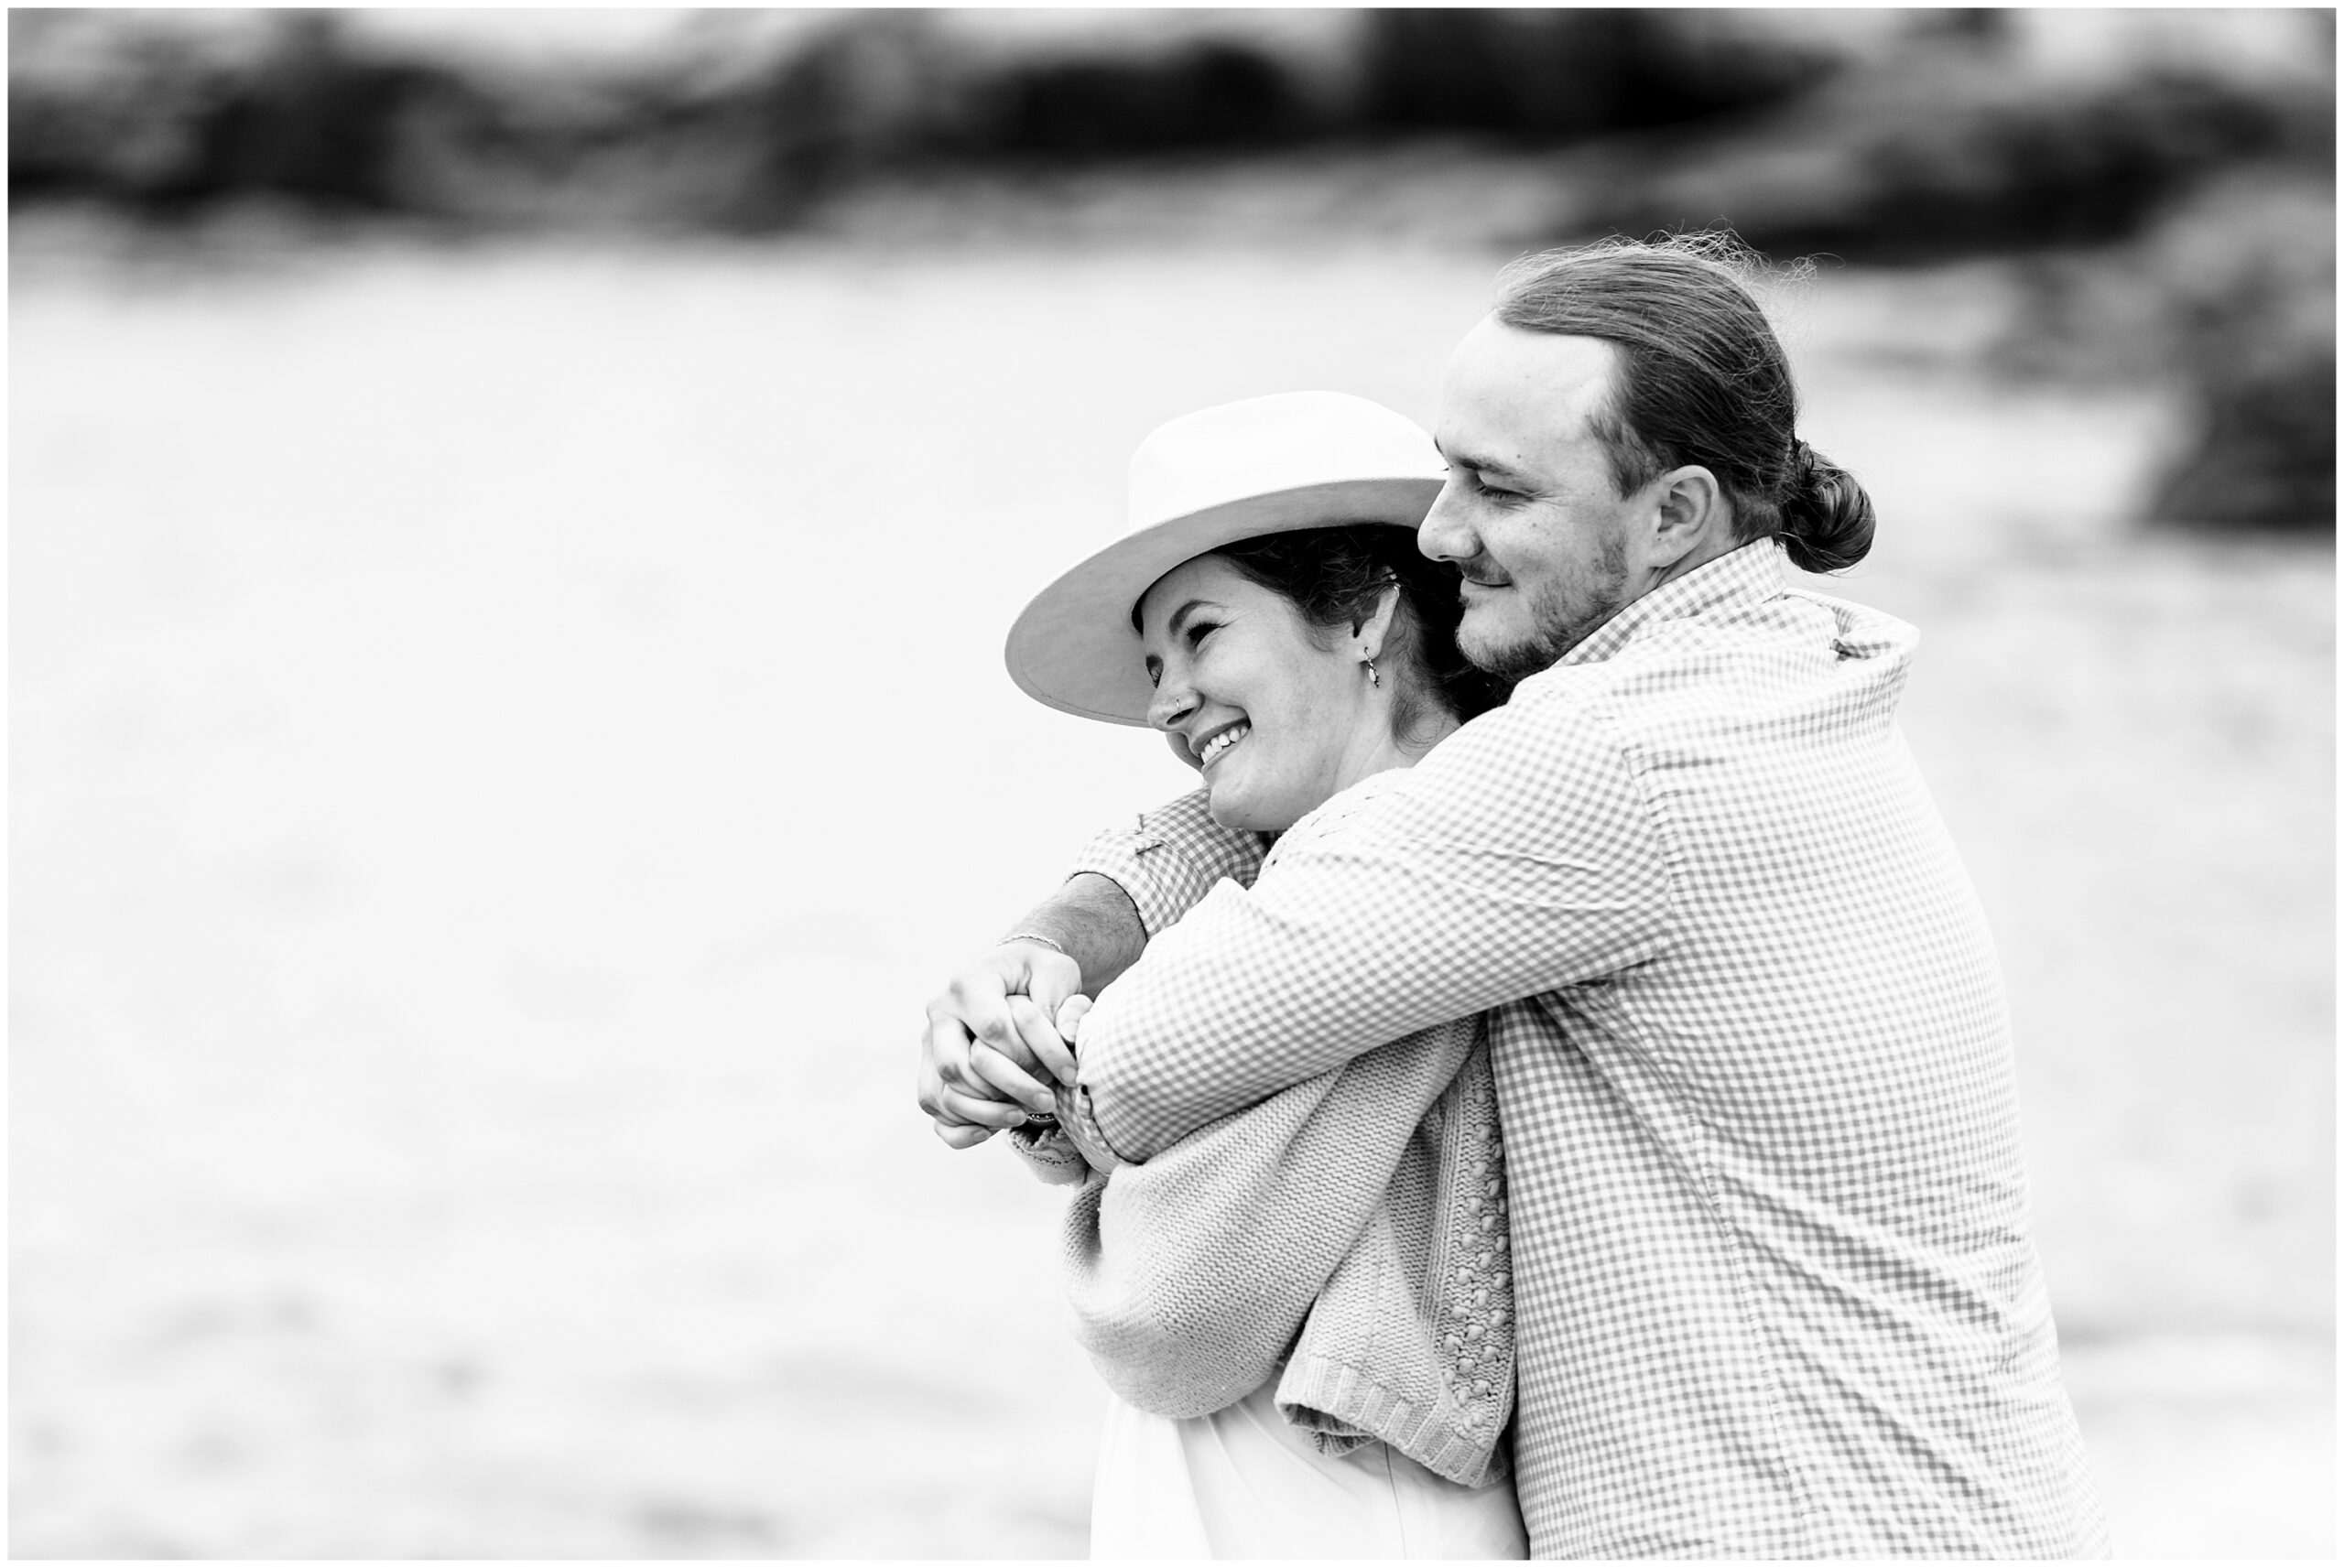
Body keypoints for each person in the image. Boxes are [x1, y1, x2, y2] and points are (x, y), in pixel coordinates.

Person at [919, 235, 2111, 1558]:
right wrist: (1079, 916)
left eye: (1494, 485)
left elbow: (1137, 1063)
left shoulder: (1609, 765)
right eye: (1445, 474)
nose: (1440, 534)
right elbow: (1376, 808)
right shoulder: (1774, 683)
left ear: (1674, 515)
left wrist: (1032, 1025)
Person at [989, 390, 1525, 1557]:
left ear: (1361, 618)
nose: (1166, 700)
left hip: (1352, 1488)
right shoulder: (1297, 876)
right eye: (1151, 662)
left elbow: (1179, 1301)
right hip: (1269, 1477)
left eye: (1200, 633)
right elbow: (1198, 841)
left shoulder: (1446, 868)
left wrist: (1037, 1049)